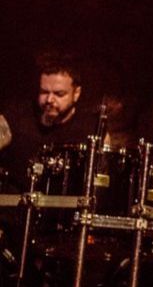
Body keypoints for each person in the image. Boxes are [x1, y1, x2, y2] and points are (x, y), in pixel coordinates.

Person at [0, 52, 97, 192]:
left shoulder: (91, 130)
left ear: (76, 93)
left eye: (59, 94)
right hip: (13, 203)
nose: (49, 100)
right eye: (44, 92)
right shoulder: (16, 117)